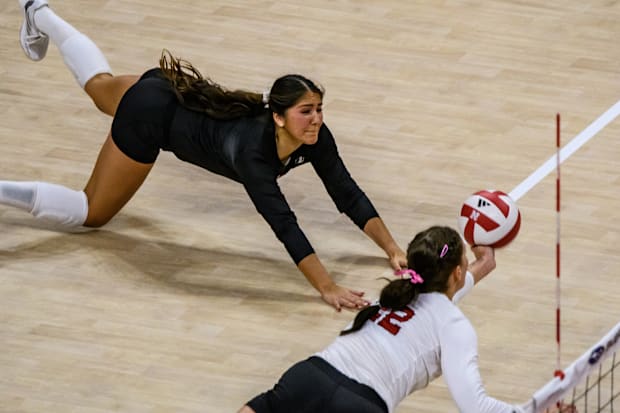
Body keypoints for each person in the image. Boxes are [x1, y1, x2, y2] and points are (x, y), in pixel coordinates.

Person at [4, 0, 408, 311]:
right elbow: (284, 225)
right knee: (92, 213)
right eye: (306, 112)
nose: (317, 119)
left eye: (319, 109)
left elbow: (346, 192)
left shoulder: (314, 136)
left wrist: (391, 249)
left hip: (166, 89)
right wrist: (327, 287)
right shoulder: (254, 154)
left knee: (100, 87)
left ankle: (39, 12)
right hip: (151, 118)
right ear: (279, 118)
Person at [237, 226, 574, 413]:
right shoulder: (454, 327)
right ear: (457, 271)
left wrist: (484, 264)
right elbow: (475, 406)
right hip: (359, 405)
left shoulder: (392, 291)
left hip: (309, 376)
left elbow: (440, 292)